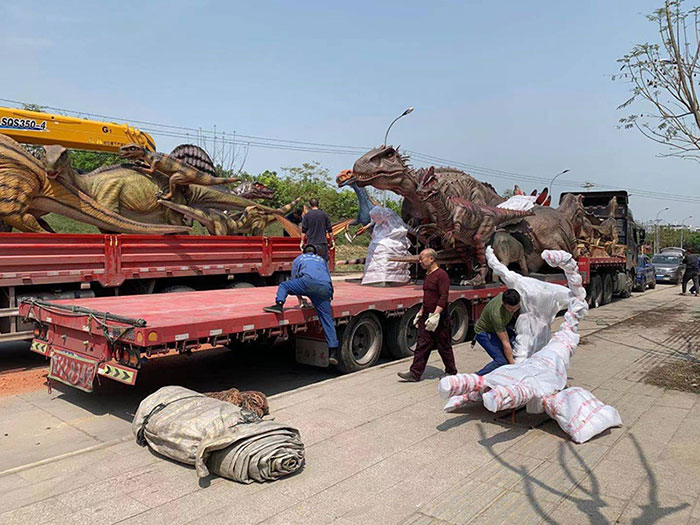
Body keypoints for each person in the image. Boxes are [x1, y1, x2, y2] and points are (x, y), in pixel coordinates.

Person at [264, 244, 339, 360]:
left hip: (307, 283)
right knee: (327, 320)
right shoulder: (322, 260)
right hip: (325, 288)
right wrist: (329, 295)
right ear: (315, 253)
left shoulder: (299, 259)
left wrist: (300, 299)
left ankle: (279, 305)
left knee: (284, 286)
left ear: (303, 252)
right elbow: (328, 277)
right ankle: (333, 352)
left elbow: (295, 279)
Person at [398, 248, 457, 382]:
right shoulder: (428, 274)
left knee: (444, 346)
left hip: (439, 318)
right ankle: (415, 373)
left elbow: (443, 296)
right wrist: (421, 312)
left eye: (422, 258)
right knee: (422, 345)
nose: (420, 261)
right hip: (427, 316)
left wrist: (436, 315)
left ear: (431, 259)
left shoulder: (442, 275)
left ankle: (451, 371)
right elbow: (428, 296)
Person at [474, 289, 521, 375]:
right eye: (510, 309)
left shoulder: (511, 297)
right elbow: (505, 342)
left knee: (517, 339)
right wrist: (513, 366)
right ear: (503, 304)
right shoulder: (497, 315)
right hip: (485, 333)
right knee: (501, 360)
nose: (512, 311)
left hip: (500, 328)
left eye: (516, 308)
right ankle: (476, 378)